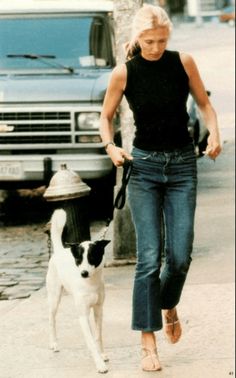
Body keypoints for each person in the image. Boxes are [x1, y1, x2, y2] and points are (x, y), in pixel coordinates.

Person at [100, 4, 221, 372]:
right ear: (137, 38)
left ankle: (168, 304)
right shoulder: (124, 73)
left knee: (180, 257)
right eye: (149, 41)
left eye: (162, 41)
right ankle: (148, 344)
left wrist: (214, 131)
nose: (155, 47)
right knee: (149, 260)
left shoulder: (182, 61)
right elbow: (105, 117)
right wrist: (111, 147)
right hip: (145, 169)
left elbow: (204, 104)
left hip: (183, 166)